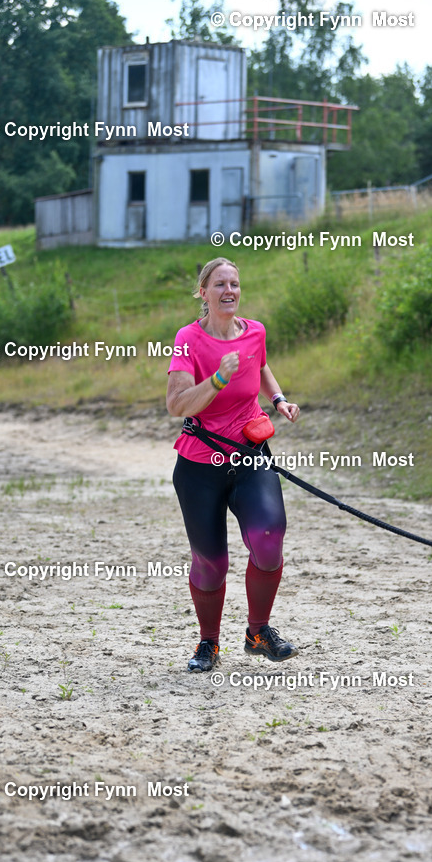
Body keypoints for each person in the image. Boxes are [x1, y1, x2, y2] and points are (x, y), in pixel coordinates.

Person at [166, 257, 300, 672]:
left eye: (235, 283)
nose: (230, 290)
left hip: (248, 455)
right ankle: (209, 643)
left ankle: (257, 632)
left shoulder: (254, 330)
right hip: (200, 463)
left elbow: (259, 365)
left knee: (268, 535)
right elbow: (176, 404)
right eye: (220, 284)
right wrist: (218, 380)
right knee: (211, 563)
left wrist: (277, 399)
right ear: (203, 293)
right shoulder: (188, 339)